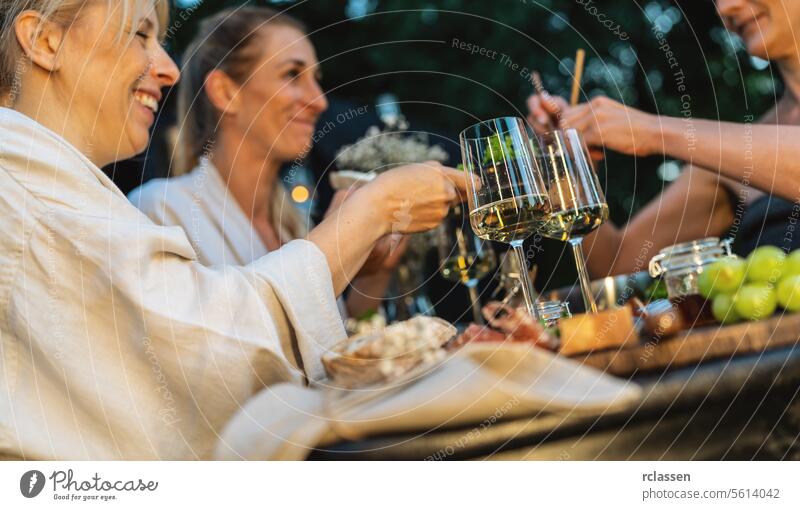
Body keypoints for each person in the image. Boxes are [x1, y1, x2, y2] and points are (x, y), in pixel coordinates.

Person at [0, 0, 465, 460]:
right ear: (44, 41)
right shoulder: (27, 176)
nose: (168, 68)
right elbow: (203, 365)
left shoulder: (291, 221)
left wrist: (367, 277)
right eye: (140, 34)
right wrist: (370, 213)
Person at [128, 7, 397, 319]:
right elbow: (218, 359)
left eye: (316, 79)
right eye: (292, 75)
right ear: (226, 91)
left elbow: (333, 353)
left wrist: (374, 272)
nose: (319, 100)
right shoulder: (160, 213)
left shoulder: (295, 222)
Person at [527, 0, 800, 277]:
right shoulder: (730, 154)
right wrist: (570, 168)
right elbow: (617, 263)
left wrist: (651, 130)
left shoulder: (724, 146)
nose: (726, 8)